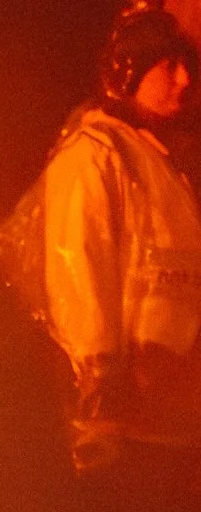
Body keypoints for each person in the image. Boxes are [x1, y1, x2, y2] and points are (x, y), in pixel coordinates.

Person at [39, 9, 201, 474]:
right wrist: (101, 380)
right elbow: (80, 265)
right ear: (128, 72)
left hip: (170, 415)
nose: (185, 79)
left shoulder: (161, 160)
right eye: (167, 65)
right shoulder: (96, 154)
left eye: (188, 65)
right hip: (127, 420)